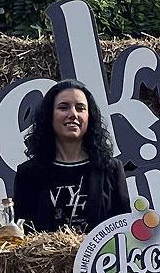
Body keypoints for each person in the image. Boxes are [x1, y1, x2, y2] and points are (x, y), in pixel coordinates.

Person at [12, 78, 127, 232]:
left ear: (89, 117)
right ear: (49, 115)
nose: (73, 114)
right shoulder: (28, 174)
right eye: (63, 107)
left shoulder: (111, 169)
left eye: (80, 108)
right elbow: (23, 234)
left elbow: (124, 228)